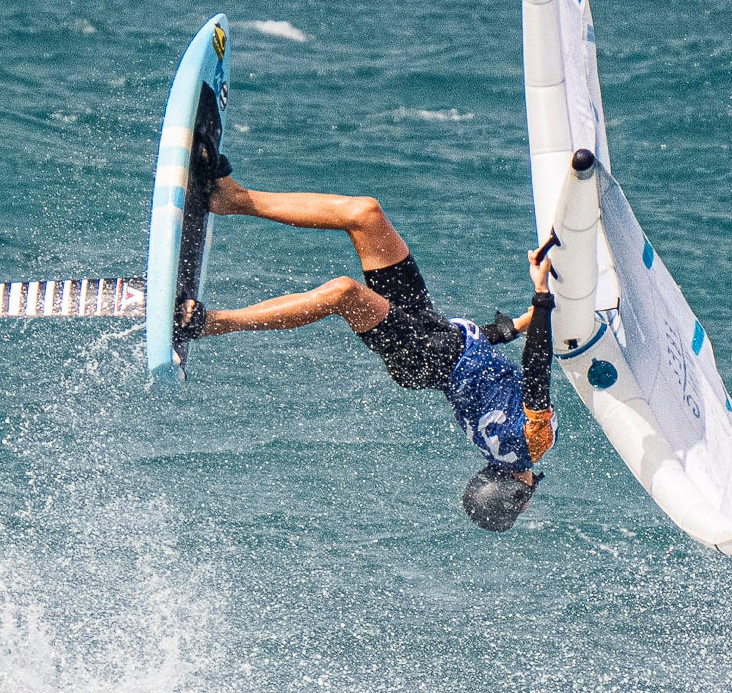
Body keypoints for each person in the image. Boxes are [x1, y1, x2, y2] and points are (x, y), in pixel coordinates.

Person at [176, 169, 557, 532]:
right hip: (433, 333)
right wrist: (513, 329)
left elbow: (537, 366)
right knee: (365, 214)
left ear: (520, 498)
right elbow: (481, 373)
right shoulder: (505, 448)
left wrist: (543, 298)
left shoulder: (533, 443)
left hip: (423, 352)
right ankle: (233, 198)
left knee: (344, 294)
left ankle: (211, 324)